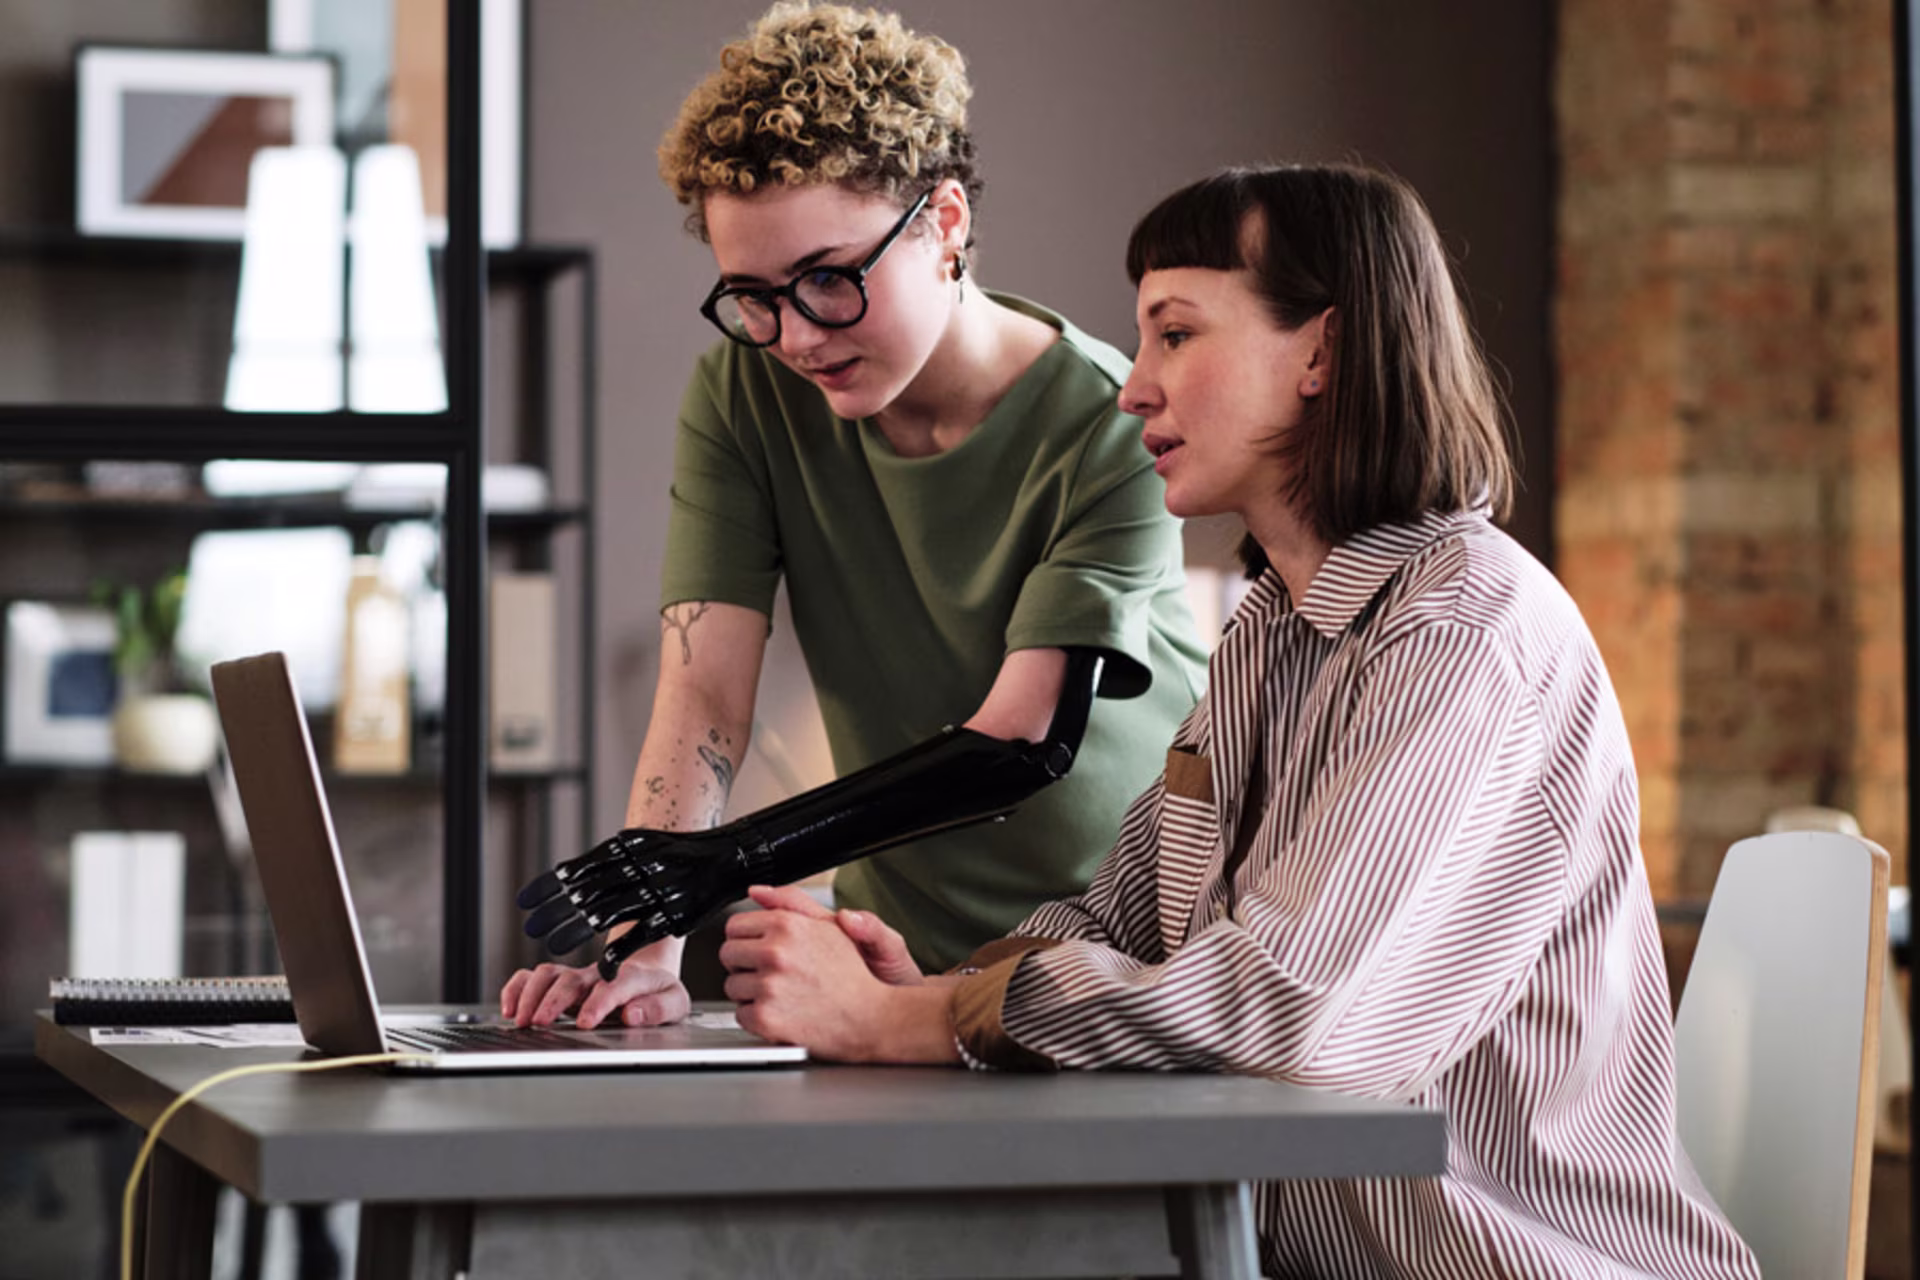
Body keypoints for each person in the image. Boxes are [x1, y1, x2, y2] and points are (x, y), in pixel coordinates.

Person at [716, 163, 1761, 1279]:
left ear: (1322, 352)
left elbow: (1288, 1008)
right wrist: (931, 989)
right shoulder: (1270, 633)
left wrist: (912, 1028)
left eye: (1176, 334)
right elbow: (1117, 925)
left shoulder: (1464, 635)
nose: (1134, 389)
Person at [502, 3, 1207, 1029]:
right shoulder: (743, 397)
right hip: (889, 960)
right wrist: (645, 943)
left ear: (946, 224)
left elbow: (1022, 742)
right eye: (753, 296)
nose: (793, 334)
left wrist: (723, 861)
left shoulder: (1113, 420)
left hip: (1109, 966)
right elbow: (703, 689)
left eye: (830, 279)